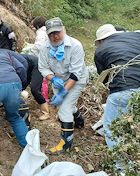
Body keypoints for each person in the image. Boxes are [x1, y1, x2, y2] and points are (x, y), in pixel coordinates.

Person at [38, 17, 89, 154]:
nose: (55, 36)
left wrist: (63, 92)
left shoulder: (75, 46)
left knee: (64, 110)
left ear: (64, 29)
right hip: (59, 79)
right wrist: (53, 79)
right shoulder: (44, 48)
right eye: (51, 34)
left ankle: (65, 144)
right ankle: (78, 119)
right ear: (47, 34)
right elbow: (43, 68)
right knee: (65, 105)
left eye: (58, 32)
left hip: (77, 79)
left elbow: (75, 73)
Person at [94, 24, 140, 149]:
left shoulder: (100, 51)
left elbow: (106, 79)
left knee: (112, 129)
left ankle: (123, 167)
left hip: (124, 90)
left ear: (101, 40)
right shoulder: (136, 36)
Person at [20, 54, 50, 120]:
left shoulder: (15, 61)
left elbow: (22, 75)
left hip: (37, 65)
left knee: (35, 89)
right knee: (20, 87)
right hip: (28, 67)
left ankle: (46, 113)